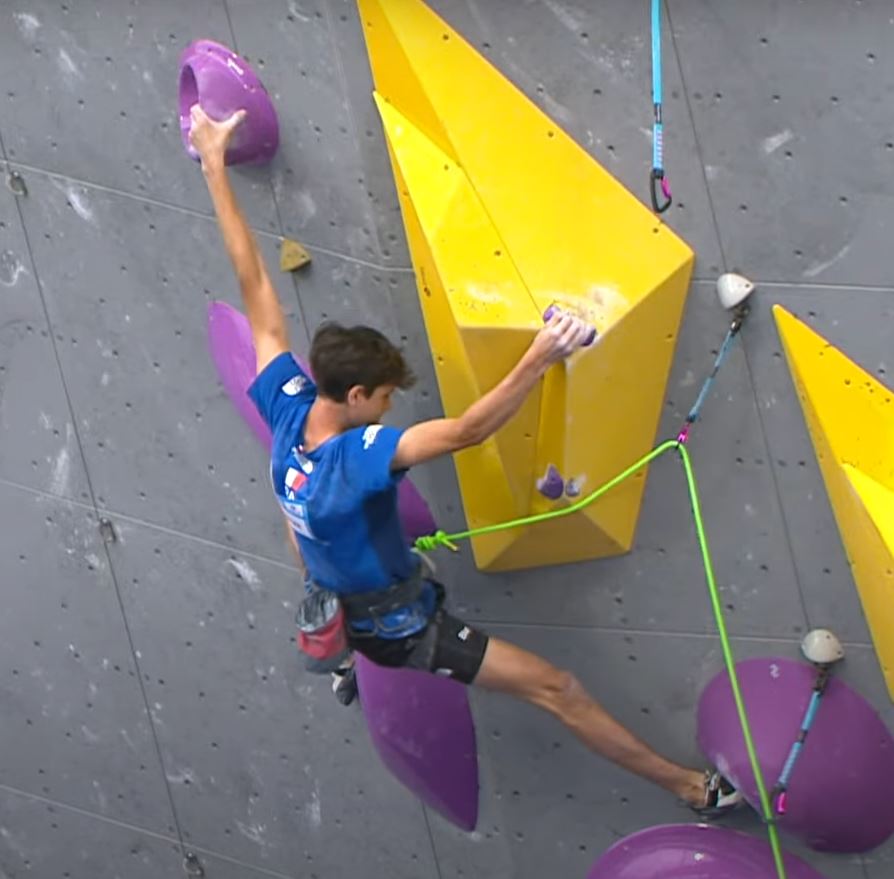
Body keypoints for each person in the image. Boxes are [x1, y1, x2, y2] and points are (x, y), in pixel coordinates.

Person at [188, 104, 742, 816]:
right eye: (385, 397)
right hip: (403, 628)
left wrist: (214, 166)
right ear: (355, 395)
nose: (391, 408)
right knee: (557, 687)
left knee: (314, 540)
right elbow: (468, 431)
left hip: (346, 588)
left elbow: (256, 289)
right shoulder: (359, 460)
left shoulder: (289, 405)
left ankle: (343, 651)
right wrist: (541, 356)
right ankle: (690, 787)